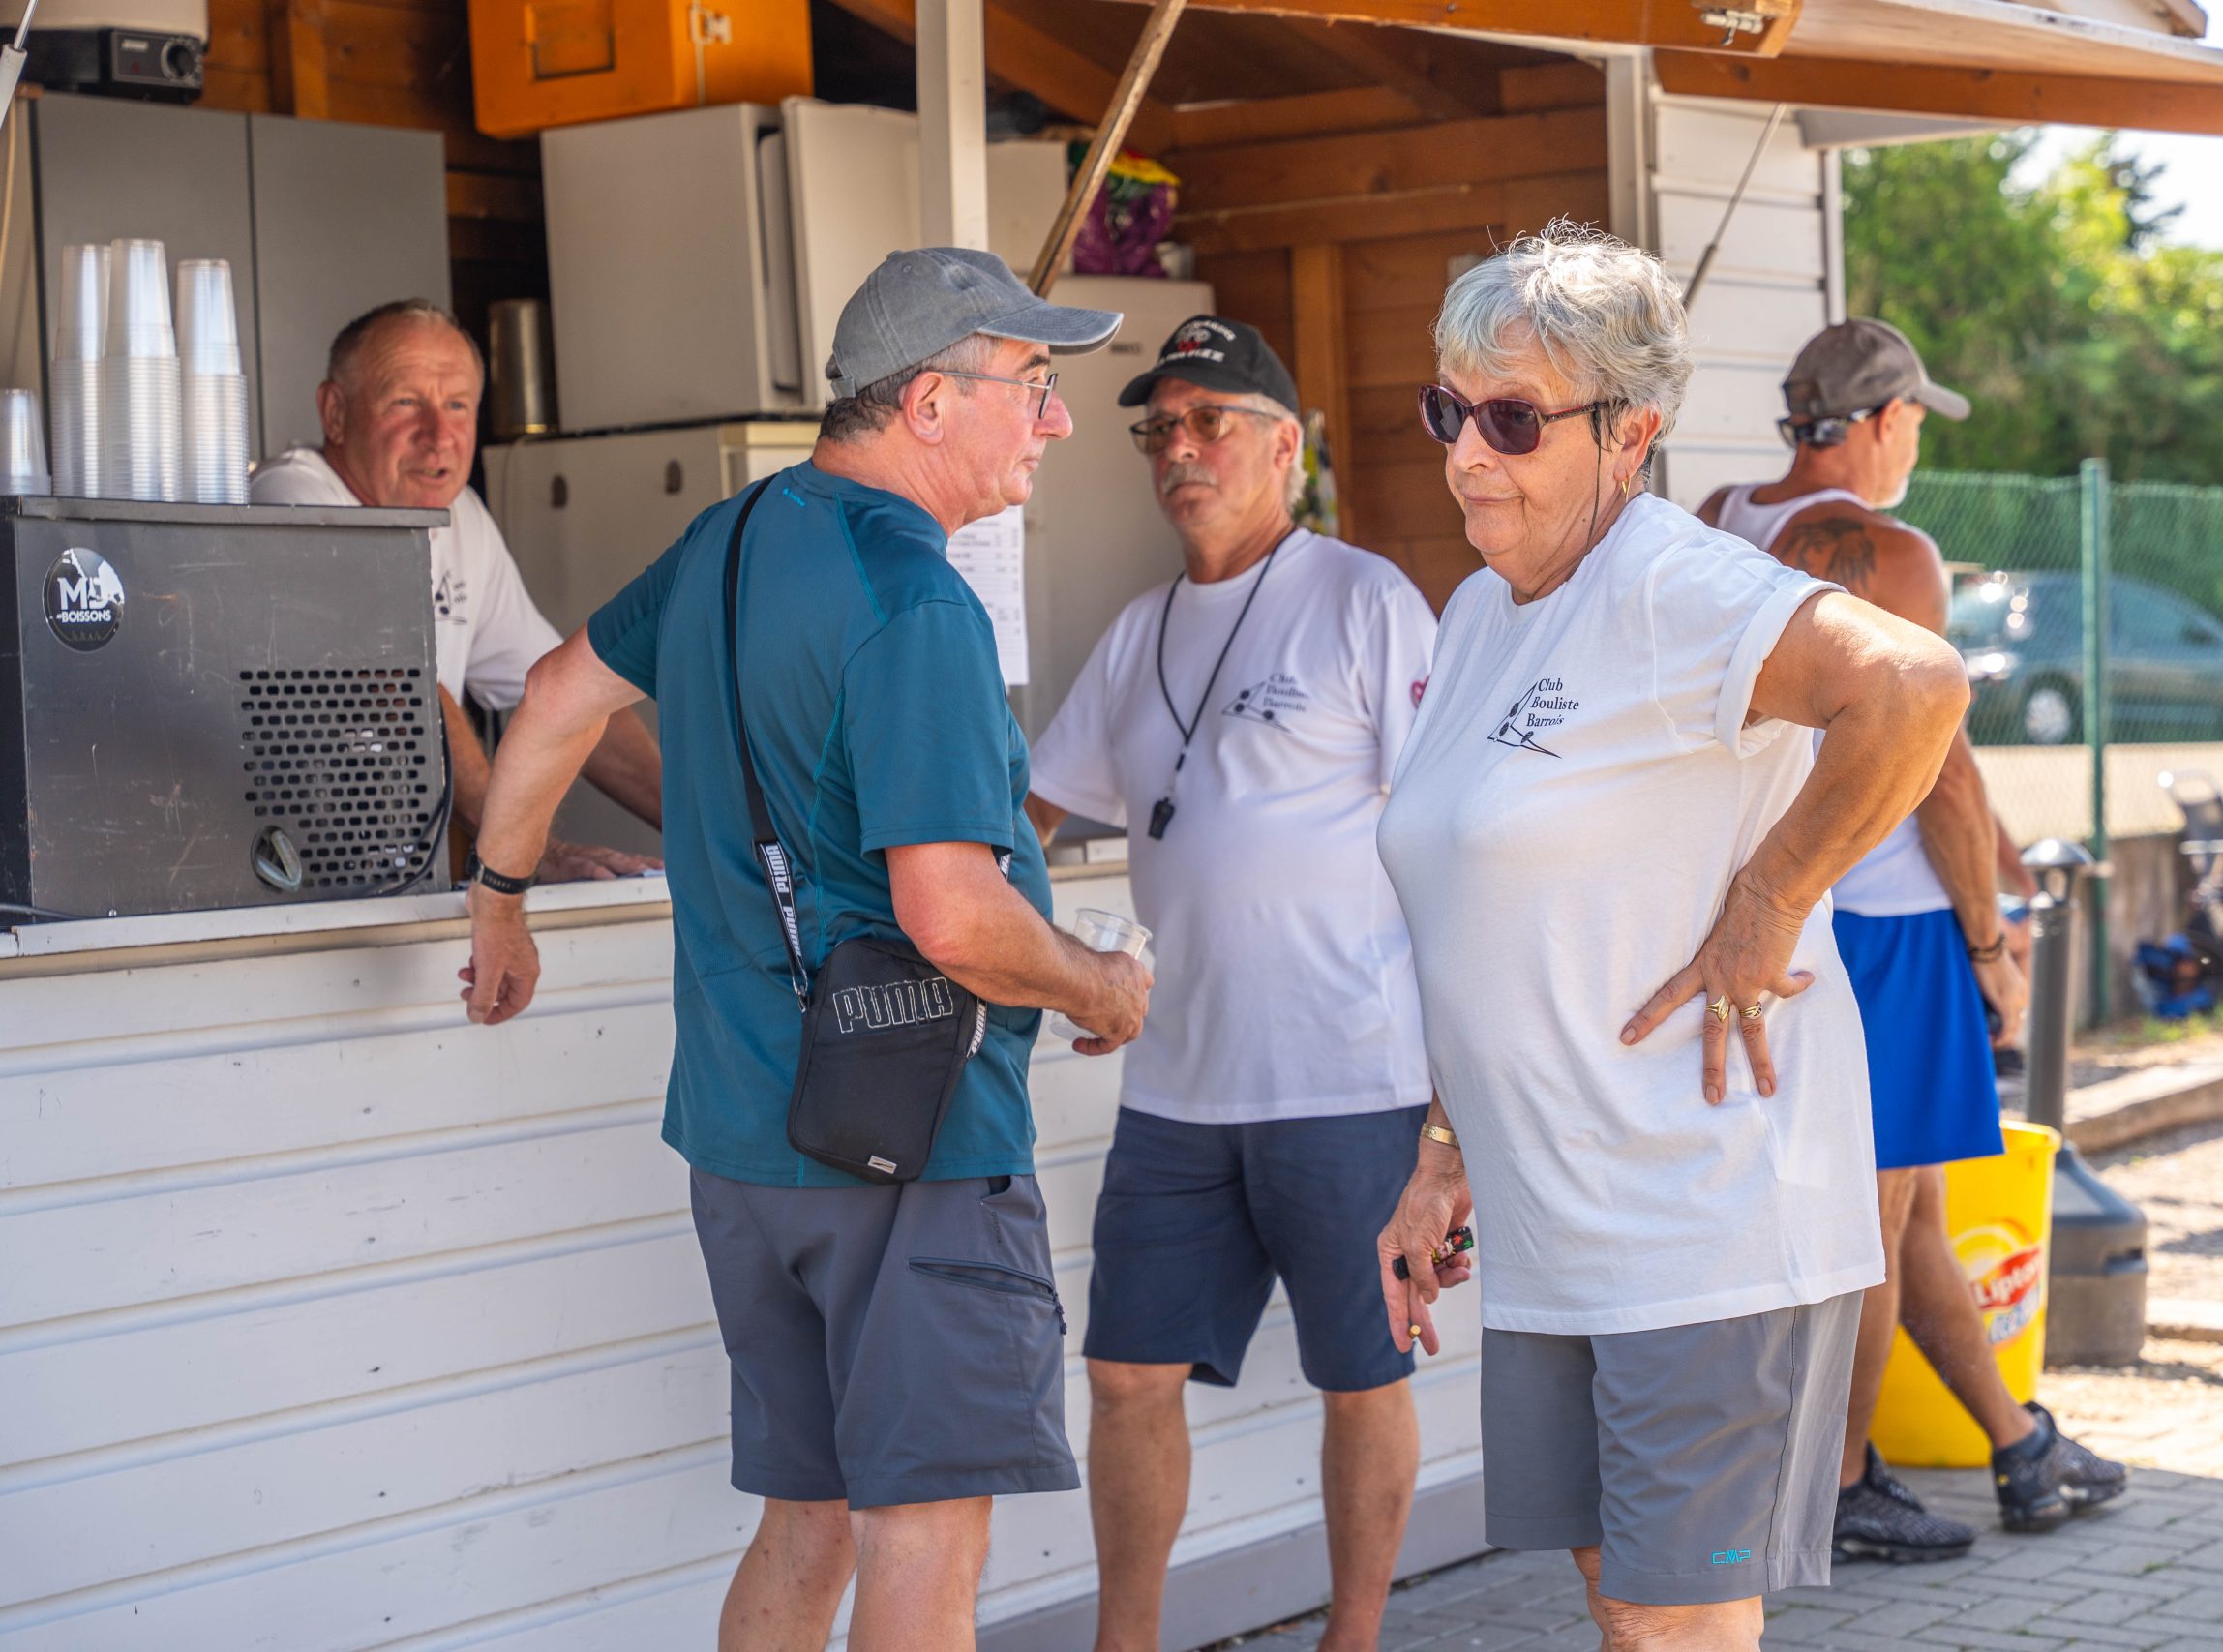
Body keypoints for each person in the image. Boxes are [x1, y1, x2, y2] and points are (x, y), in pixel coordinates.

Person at [458, 248, 1154, 1652]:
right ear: (932, 402)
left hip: (742, 1138)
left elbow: (548, 697)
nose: (1059, 420)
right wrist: (1100, 983)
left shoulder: (728, 540)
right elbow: (952, 917)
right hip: (912, 1146)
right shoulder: (918, 602)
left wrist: (499, 895)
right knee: (924, 1537)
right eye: (1036, 384)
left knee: (809, 1517)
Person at [1374, 223, 1969, 1652]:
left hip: (1699, 1209)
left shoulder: (1674, 584)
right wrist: (1445, 1148)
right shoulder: (1479, 610)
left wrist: (1769, 900)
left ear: (1631, 431)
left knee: (1674, 1617)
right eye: (1450, 408)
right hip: (1549, 1217)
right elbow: (1485, 908)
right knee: (1614, 1593)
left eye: (1514, 418)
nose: (1469, 452)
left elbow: (1914, 684)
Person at [1023, 315, 1439, 1652]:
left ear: (1285, 447)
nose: (1182, 449)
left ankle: (1353, 1637)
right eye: (1162, 428)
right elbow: (1024, 818)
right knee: (1127, 1370)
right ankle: (1127, 1639)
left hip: (1350, 1073)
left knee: (1361, 1371)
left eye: (1211, 423)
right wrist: (1039, 958)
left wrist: (1453, 1106)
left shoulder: (1364, 596)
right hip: (1178, 1085)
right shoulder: (1138, 628)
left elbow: (1450, 836)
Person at [1697, 319, 2126, 1562]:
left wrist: (1995, 848)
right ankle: (1837, 1488)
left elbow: (1936, 748)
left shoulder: (1721, 517)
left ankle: (2018, 1445)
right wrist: (1991, 943)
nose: (1918, 443)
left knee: (1916, 1207)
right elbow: (1927, 773)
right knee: (1872, 1222)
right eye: (1916, 421)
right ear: (1881, 422)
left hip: (1764, 911)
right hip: (1882, 920)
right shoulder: (1894, 552)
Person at [252, 299, 663, 883]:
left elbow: (566, 692)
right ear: (335, 413)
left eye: (457, 405)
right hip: (284, 869)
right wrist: (519, 848)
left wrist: (709, 832)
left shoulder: (459, 512)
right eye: (405, 402)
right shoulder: (291, 497)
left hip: (394, 871)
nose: (438, 435)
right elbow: (394, 680)